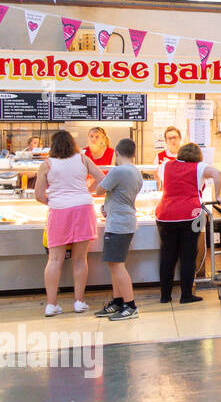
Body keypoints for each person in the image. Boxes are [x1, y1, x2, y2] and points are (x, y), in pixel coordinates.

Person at [34, 130, 104, 317]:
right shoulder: (83, 159)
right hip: (83, 209)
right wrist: (87, 191)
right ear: (72, 143)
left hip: (59, 212)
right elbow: (103, 180)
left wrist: (56, 202)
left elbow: (39, 195)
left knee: (55, 259)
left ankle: (51, 304)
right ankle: (79, 302)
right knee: (80, 259)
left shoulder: (47, 164)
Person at [155, 142, 221, 305]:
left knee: (167, 256)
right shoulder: (199, 167)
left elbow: (158, 178)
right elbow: (217, 174)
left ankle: (165, 296)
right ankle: (186, 295)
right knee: (188, 255)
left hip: (165, 215)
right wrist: (219, 196)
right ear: (198, 156)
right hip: (190, 215)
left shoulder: (165, 165)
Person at [95, 138, 143, 320]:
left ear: (116, 153)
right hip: (125, 221)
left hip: (118, 225)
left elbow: (99, 190)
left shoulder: (118, 171)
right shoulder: (135, 172)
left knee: (117, 266)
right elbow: (119, 196)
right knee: (114, 264)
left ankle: (130, 305)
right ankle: (117, 301)